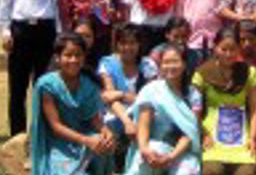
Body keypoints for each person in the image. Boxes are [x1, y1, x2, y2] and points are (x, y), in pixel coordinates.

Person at [0, 0, 60, 136]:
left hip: (46, 30)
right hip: (21, 30)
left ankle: (41, 135)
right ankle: (17, 135)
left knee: (43, 87)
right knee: (17, 87)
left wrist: (59, 34)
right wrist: (5, 30)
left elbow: (56, 0)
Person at [30, 32, 115, 175]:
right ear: (57, 58)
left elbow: (93, 118)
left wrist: (105, 131)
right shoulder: (47, 85)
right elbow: (56, 127)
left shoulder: (88, 84)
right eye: (68, 55)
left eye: (78, 55)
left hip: (84, 137)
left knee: (102, 145)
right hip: (57, 143)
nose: (73, 60)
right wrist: (86, 140)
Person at [124, 45, 203, 175]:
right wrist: (144, 149)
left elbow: (190, 132)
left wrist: (171, 157)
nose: (170, 66)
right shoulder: (151, 90)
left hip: (182, 151)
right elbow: (144, 124)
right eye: (166, 62)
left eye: (175, 62)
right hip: (155, 146)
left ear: (184, 64)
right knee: (150, 155)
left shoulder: (193, 94)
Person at [192, 27, 256, 175]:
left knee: (247, 172)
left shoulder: (249, 72)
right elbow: (195, 109)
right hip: (212, 137)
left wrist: (253, 139)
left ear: (239, 49)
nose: (229, 54)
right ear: (215, 48)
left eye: (233, 49)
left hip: (242, 139)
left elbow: (255, 108)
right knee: (211, 170)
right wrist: (203, 135)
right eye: (224, 49)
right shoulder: (202, 73)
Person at [98, 24, 158, 152]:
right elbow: (110, 99)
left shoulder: (147, 64)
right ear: (117, 44)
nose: (128, 47)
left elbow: (150, 98)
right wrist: (127, 122)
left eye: (132, 43)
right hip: (114, 113)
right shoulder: (107, 63)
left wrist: (121, 95)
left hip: (142, 112)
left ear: (139, 44)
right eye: (123, 43)